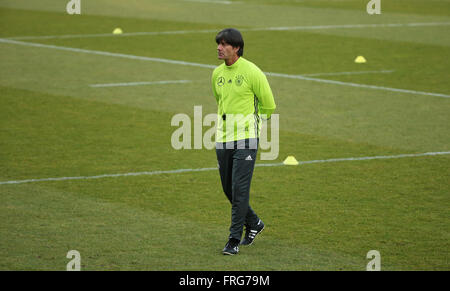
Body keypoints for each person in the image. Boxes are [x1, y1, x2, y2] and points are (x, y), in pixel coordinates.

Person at [211, 28, 276, 255]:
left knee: (239, 190)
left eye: (224, 44)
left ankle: (233, 240)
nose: (219, 48)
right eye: (218, 44)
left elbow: (268, 105)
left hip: (246, 139)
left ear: (236, 48)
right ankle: (255, 223)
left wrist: (253, 127)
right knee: (228, 190)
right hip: (223, 137)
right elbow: (221, 102)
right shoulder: (216, 74)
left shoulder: (252, 72)